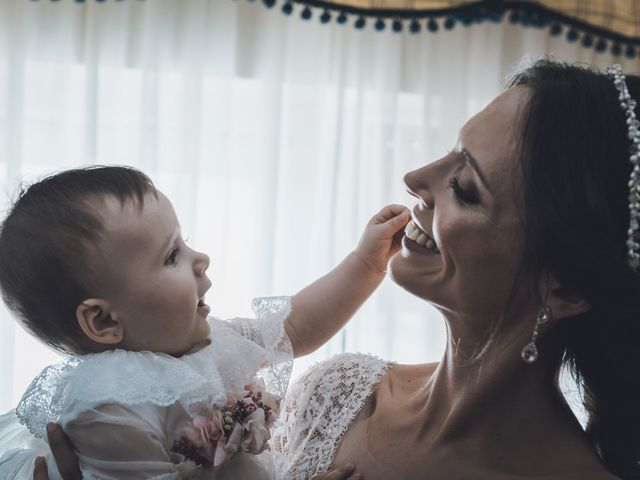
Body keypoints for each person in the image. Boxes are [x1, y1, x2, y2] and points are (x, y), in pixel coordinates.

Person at [32, 58, 640, 479]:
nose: (416, 179)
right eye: (449, 152)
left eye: (464, 185)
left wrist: (360, 265)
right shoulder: (335, 392)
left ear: (565, 286)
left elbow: (293, 325)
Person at [0, 165, 410, 479]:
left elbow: (295, 328)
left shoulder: (210, 343)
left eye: (184, 241)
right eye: (171, 256)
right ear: (104, 320)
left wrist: (366, 265)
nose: (201, 259)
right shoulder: (108, 406)